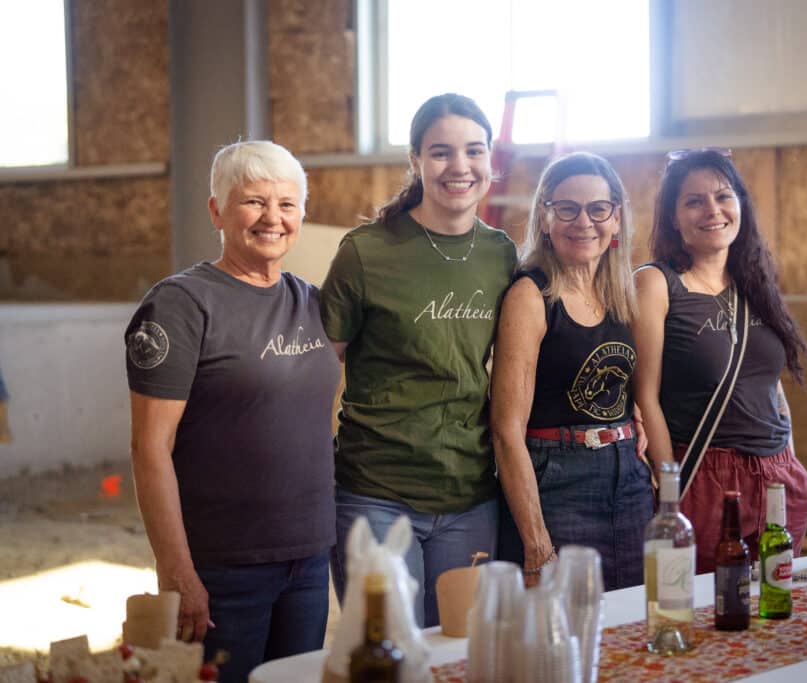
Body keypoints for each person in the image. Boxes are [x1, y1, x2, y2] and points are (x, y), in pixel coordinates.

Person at [125, 141, 339, 683]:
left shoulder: (312, 302)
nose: (273, 218)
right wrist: (177, 571)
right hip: (223, 566)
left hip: (308, 558)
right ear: (217, 211)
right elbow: (150, 447)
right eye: (253, 202)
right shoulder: (181, 304)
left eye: (287, 204)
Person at [320, 93, 517, 628]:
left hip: (471, 497)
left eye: (474, 151)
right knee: (386, 653)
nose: (459, 167)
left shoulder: (502, 254)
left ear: (490, 160)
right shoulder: (366, 252)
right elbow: (313, 377)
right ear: (415, 160)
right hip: (375, 494)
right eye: (440, 152)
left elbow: (525, 368)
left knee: (459, 652)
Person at [632, 148, 807, 574]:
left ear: (740, 205)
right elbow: (646, 397)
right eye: (694, 201)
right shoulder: (656, 283)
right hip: (705, 478)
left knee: (772, 607)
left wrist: (789, 459)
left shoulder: (754, 281)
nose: (712, 210)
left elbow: (770, 381)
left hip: (777, 477)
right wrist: (670, 493)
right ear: (674, 217)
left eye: (722, 196)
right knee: (702, 611)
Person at [492, 152, 654, 589]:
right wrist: (537, 543)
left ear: (616, 219)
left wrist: (632, 413)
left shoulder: (623, 294)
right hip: (558, 483)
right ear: (545, 218)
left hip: (629, 480)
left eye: (598, 209)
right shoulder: (531, 296)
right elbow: (507, 431)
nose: (584, 221)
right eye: (567, 208)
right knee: (565, 632)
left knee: (634, 622)